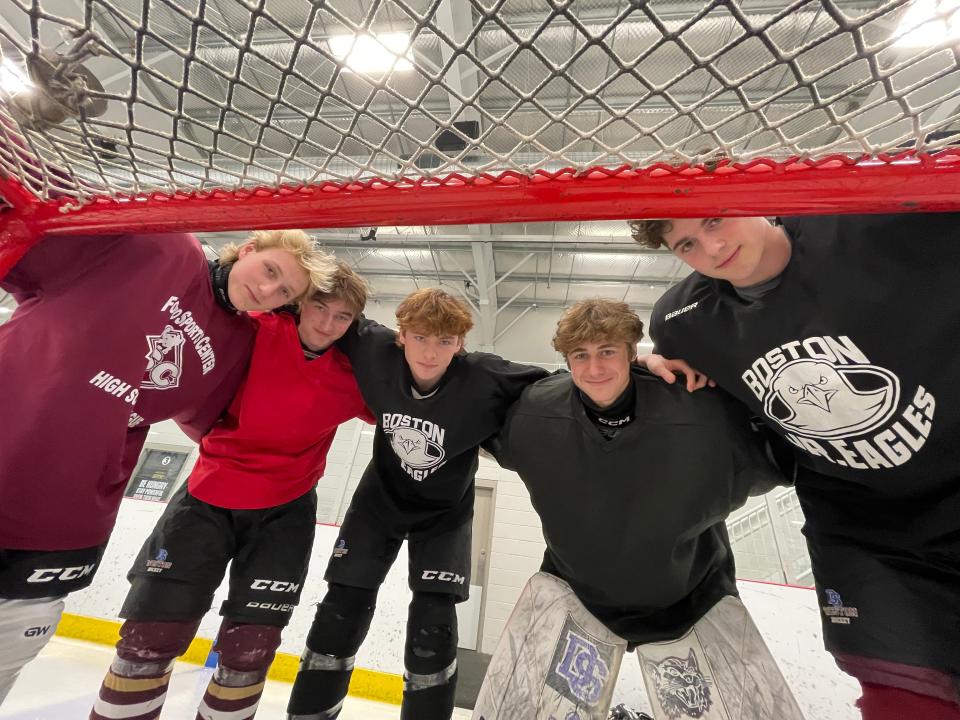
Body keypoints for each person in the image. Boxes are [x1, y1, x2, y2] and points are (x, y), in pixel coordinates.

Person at [632, 214, 960, 720]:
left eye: (716, 220)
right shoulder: (683, 320)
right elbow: (674, 365)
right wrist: (649, 362)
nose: (714, 247)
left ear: (755, 196)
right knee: (905, 693)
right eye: (687, 244)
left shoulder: (870, 224)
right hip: (863, 530)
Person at [0, 228, 336, 704]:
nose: (267, 291)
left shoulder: (239, 342)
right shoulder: (161, 247)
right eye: (270, 270)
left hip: (68, 521)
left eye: (284, 292)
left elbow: (215, 428)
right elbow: (29, 224)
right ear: (248, 250)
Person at [472, 298, 803, 720]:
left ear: (633, 352)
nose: (594, 369)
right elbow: (463, 393)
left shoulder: (701, 413)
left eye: (608, 351)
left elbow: (786, 452)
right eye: (581, 355)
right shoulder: (536, 412)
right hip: (576, 596)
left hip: (694, 600)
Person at [88, 262, 374, 720]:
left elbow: (411, 408)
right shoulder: (255, 330)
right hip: (206, 497)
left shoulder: (354, 374)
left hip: (288, 510)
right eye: (320, 307)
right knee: (150, 639)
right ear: (300, 305)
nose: (327, 324)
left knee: (250, 651)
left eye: (342, 317)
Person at [284, 287, 549, 720]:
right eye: (421, 337)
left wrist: (645, 365)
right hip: (378, 503)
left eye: (445, 341)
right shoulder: (373, 348)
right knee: (340, 611)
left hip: (446, 514)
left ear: (460, 343)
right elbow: (303, 303)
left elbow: (568, 384)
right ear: (401, 336)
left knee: (434, 628)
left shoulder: (487, 376)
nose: (431, 352)